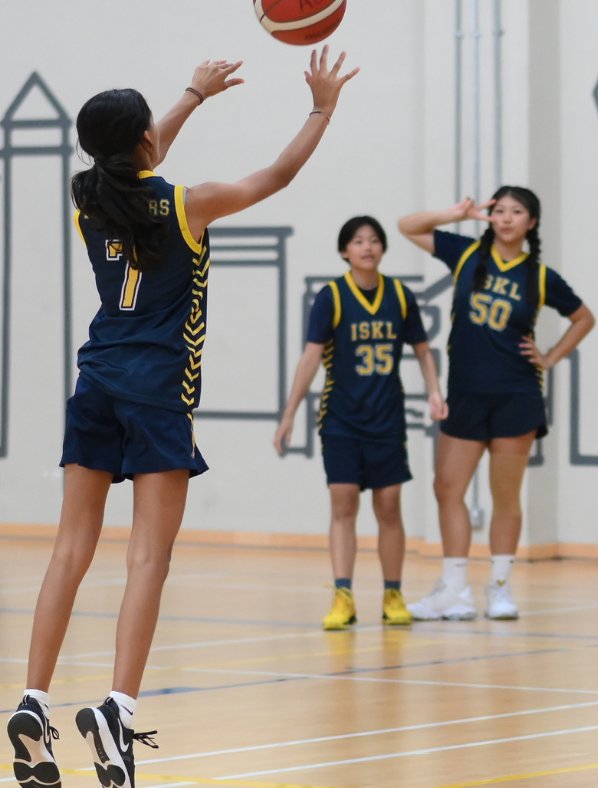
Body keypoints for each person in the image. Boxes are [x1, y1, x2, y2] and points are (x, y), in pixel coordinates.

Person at [5, 49, 357, 788]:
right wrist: (321, 107)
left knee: (69, 550)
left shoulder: (89, 204)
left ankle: (33, 700)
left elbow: (132, 154)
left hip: (95, 383)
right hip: (158, 394)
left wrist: (192, 95)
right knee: (147, 560)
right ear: (143, 144)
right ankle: (117, 711)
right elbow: (278, 176)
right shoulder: (186, 204)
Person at [397, 187, 595, 620]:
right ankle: (454, 591)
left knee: (504, 496)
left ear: (531, 223)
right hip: (466, 392)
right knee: (448, 488)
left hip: (515, 396)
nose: (505, 218)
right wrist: (455, 215)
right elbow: (407, 226)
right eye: (499, 210)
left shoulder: (540, 277)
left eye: (516, 211)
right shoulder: (466, 254)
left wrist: (548, 357)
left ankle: (501, 589)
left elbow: (584, 318)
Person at [273, 215, 447, 630]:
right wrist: (289, 413)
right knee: (343, 503)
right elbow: (312, 356)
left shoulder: (400, 295)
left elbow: (422, 350)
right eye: (357, 240)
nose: (367, 247)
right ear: (344, 251)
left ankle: (392, 592)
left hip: (388, 416)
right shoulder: (332, 297)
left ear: (383, 249)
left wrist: (435, 390)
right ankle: (343, 594)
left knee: (389, 505)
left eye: (374, 240)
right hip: (341, 418)